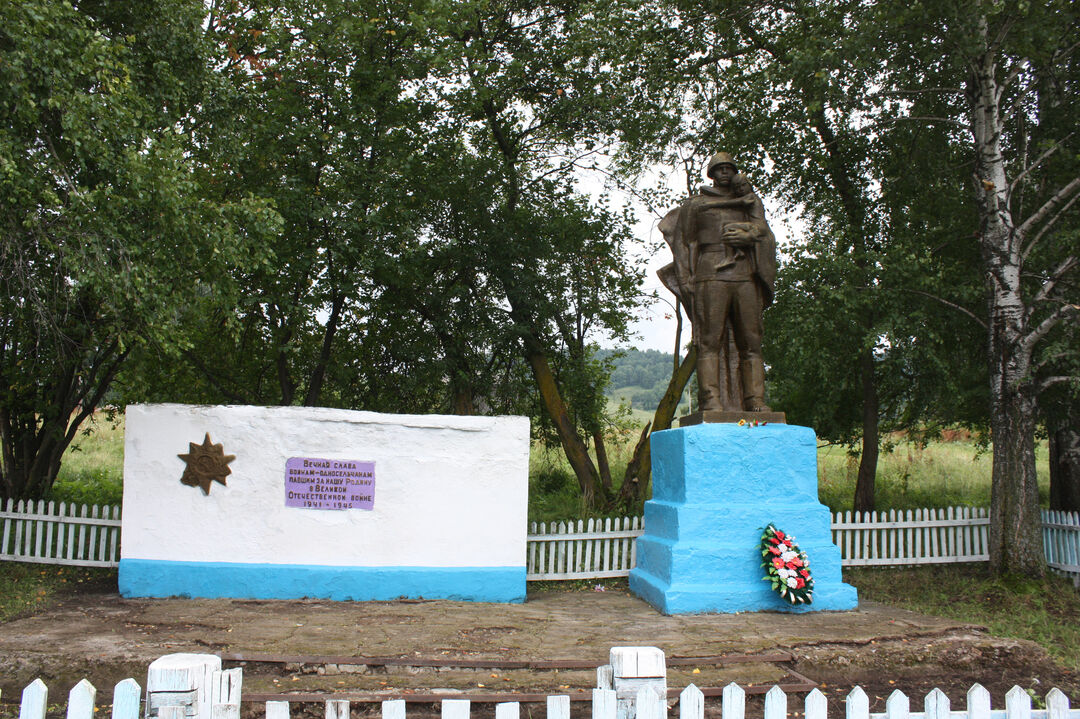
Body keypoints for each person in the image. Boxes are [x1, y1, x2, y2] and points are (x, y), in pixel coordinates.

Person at [657, 152, 777, 412]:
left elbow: (764, 232)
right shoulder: (695, 205)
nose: (724, 172)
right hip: (710, 271)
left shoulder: (748, 201)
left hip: (745, 274)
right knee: (709, 340)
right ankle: (710, 399)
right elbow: (685, 243)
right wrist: (686, 277)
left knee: (752, 340)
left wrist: (750, 235)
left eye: (728, 168)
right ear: (711, 173)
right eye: (719, 168)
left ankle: (754, 399)